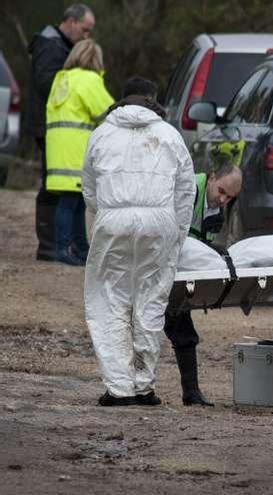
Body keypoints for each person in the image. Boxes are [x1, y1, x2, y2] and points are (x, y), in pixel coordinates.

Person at [82, 76, 195, 406]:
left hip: (113, 220)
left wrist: (105, 214)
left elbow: (89, 189)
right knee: (150, 302)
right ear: (153, 98)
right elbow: (186, 192)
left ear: (121, 98)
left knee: (109, 300)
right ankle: (144, 386)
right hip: (159, 222)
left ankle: (119, 388)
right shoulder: (169, 136)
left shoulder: (101, 134)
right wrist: (177, 233)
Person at [163, 165, 242, 406]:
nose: (223, 199)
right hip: (159, 268)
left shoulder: (217, 212)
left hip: (178, 274)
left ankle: (192, 393)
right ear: (212, 178)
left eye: (230, 197)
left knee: (184, 333)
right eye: (221, 191)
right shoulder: (187, 189)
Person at [26, 3, 96, 262]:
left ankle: (57, 245)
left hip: (52, 126)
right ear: (71, 22)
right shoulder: (51, 46)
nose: (86, 36)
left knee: (59, 187)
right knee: (54, 186)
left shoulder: (57, 44)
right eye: (85, 30)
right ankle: (49, 245)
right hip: (48, 127)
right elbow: (47, 84)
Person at [45, 39, 113, 265]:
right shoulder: (89, 80)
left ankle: (80, 249)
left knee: (73, 200)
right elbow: (108, 112)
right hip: (76, 149)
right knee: (69, 203)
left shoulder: (62, 79)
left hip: (59, 149)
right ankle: (63, 250)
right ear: (95, 59)